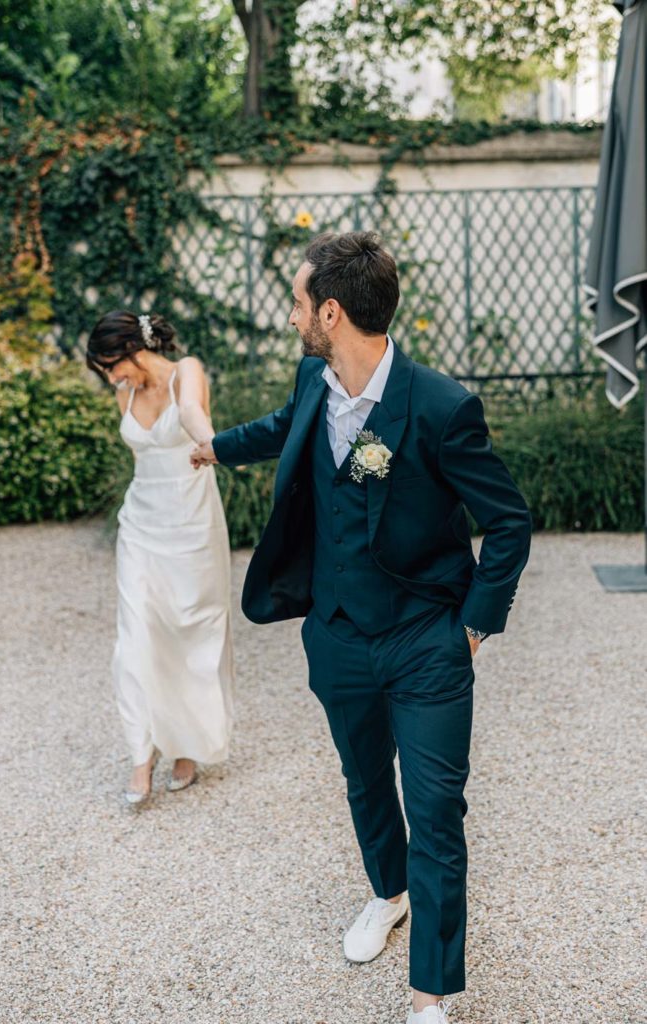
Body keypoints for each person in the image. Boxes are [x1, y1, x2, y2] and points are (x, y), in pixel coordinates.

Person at [191, 233, 531, 1023]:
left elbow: (508, 521)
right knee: (363, 780)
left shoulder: (441, 407)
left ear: (332, 311)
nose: (291, 314)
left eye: (299, 301)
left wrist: (475, 625)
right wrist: (214, 449)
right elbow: (286, 424)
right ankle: (386, 893)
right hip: (338, 634)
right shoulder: (316, 376)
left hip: (426, 638)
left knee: (437, 810)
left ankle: (429, 998)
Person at [86, 310, 233, 807]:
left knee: (191, 632)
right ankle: (140, 757)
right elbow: (142, 457)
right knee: (134, 636)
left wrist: (210, 442)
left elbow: (191, 411)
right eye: (104, 370)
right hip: (142, 524)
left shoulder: (185, 370)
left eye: (112, 364)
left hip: (192, 521)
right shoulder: (122, 392)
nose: (111, 377)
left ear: (134, 346)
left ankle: (187, 745)